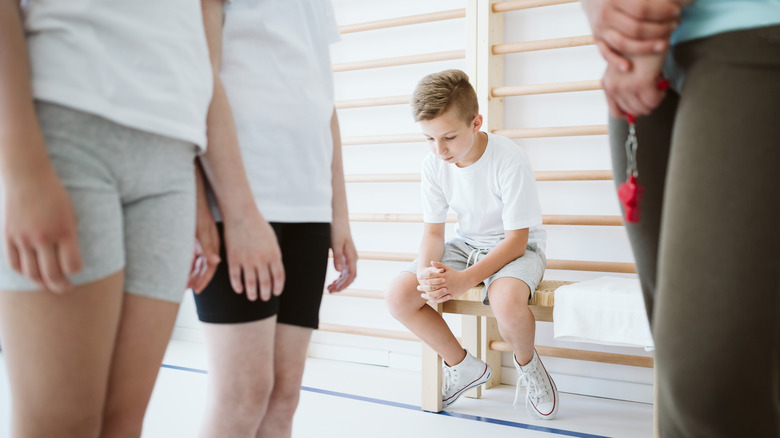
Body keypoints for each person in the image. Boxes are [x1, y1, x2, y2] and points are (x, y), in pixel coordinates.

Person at [0, 1, 216, 436]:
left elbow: (207, 47)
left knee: (123, 425)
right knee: (60, 426)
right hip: (66, 125)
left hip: (174, 156)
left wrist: (198, 194)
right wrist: (21, 170)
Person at [581, 1, 780, 436]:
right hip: (646, 65)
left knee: (709, 384)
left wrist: (645, 21)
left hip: (753, 28)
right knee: (677, 384)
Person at [192, 1, 358, 437]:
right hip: (238, 196)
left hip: (307, 202)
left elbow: (324, 99)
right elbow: (199, 75)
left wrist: (338, 211)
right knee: (242, 396)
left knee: (284, 396)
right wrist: (233, 210)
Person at [385, 69, 558, 420]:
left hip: (517, 248)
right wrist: (425, 274)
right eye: (430, 139)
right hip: (468, 244)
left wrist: (463, 280)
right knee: (400, 294)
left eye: (448, 137)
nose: (439, 149)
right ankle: (462, 365)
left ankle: (526, 362)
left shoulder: (508, 159)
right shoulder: (434, 164)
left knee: (507, 302)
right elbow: (433, 234)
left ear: (476, 122)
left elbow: (516, 241)